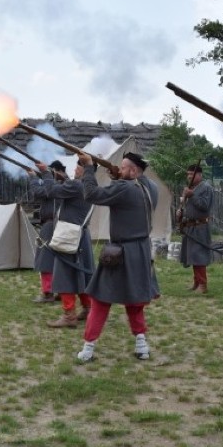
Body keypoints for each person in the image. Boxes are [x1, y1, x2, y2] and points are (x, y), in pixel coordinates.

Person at [75, 151, 159, 362]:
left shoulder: (124, 188)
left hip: (120, 252)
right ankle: (142, 345)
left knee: (101, 300)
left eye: (123, 168)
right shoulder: (151, 187)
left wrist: (88, 168)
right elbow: (128, 192)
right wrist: (117, 176)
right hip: (141, 251)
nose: (119, 171)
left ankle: (88, 348)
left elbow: (91, 194)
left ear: (133, 170)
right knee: (135, 301)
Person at [43, 159, 94, 328]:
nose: (75, 169)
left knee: (64, 276)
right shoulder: (89, 185)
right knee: (80, 276)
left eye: (78, 166)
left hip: (69, 237)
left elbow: (50, 191)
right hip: (81, 236)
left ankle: (69, 315)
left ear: (85, 169)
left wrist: (45, 173)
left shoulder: (77, 185)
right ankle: (88, 308)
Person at [28, 160, 66, 303]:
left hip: (50, 225)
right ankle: (63, 291)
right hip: (60, 225)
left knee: (45, 260)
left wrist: (33, 177)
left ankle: (48, 292)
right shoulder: (65, 185)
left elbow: (38, 192)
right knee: (61, 260)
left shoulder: (55, 186)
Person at [178, 163, 214, 293]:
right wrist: (181, 211)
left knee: (199, 256)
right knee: (193, 256)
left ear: (199, 175)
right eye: (188, 174)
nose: (189, 176)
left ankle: (203, 285)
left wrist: (192, 195)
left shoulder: (206, 188)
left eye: (191, 174)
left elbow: (204, 206)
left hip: (200, 226)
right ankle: (197, 283)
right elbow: (187, 206)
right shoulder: (191, 188)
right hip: (190, 226)